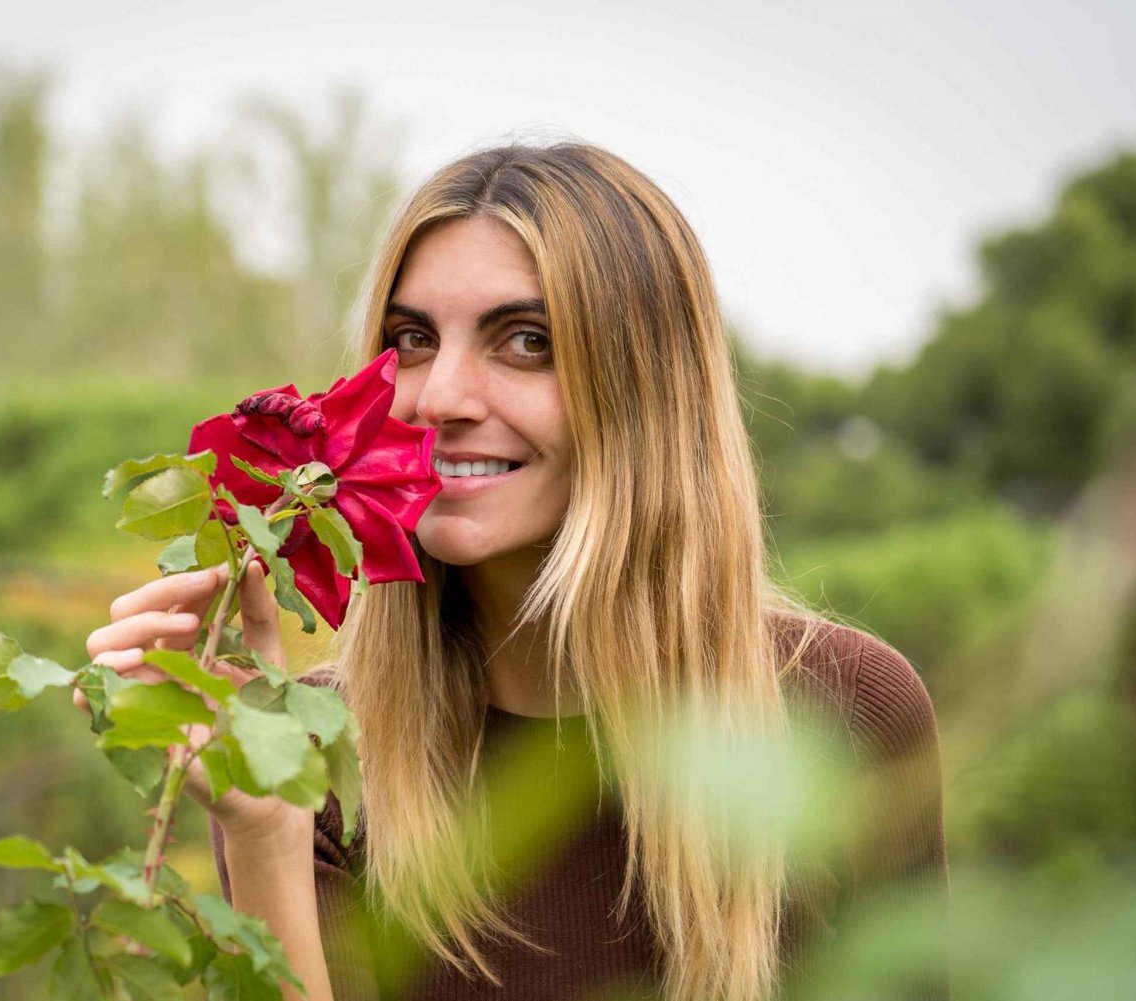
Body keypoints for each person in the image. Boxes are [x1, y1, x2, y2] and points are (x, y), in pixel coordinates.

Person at [83, 142, 950, 1001]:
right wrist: (267, 831)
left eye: (527, 341)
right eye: (412, 339)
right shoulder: (312, 755)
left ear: (648, 391)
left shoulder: (842, 713)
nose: (441, 396)